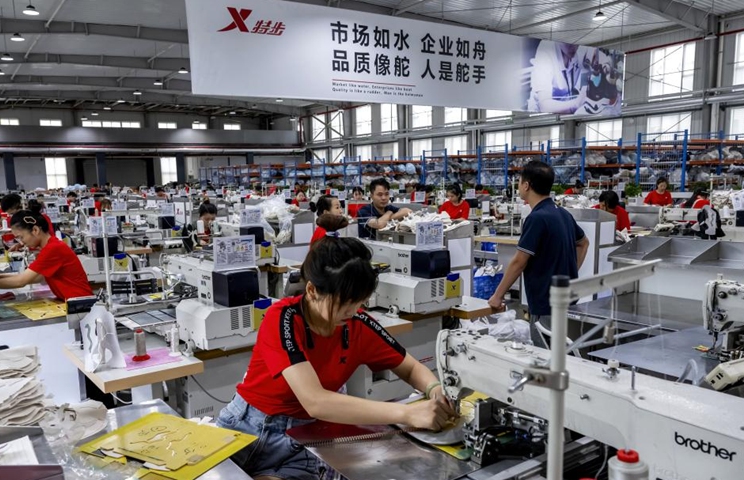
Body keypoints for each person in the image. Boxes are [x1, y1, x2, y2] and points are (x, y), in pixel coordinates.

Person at [217, 236, 456, 480]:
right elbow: (316, 401)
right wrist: (407, 414)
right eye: (344, 303)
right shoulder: (283, 319)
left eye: (360, 302)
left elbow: (410, 368)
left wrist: (435, 390)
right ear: (311, 290)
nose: (352, 312)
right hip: (246, 429)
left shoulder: (358, 325)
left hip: (304, 439)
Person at [488, 161, 589, 348]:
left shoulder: (537, 218)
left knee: (546, 355)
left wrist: (497, 295)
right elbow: (583, 243)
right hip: (567, 297)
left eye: (519, 182)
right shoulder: (563, 214)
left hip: (546, 302)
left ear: (526, 185)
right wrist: (570, 271)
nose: (518, 186)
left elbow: (519, 261)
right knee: (563, 351)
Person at [0, 210, 93, 301]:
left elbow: (21, 281)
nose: (21, 242)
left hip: (81, 303)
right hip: (73, 301)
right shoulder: (50, 246)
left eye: (21, 237)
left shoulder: (53, 249)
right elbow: (37, 278)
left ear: (35, 230)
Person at [527, 41, 590, 114]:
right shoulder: (546, 49)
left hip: (565, 111)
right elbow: (544, 106)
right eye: (568, 42)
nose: (574, 47)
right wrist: (576, 103)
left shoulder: (578, 48)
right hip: (540, 115)